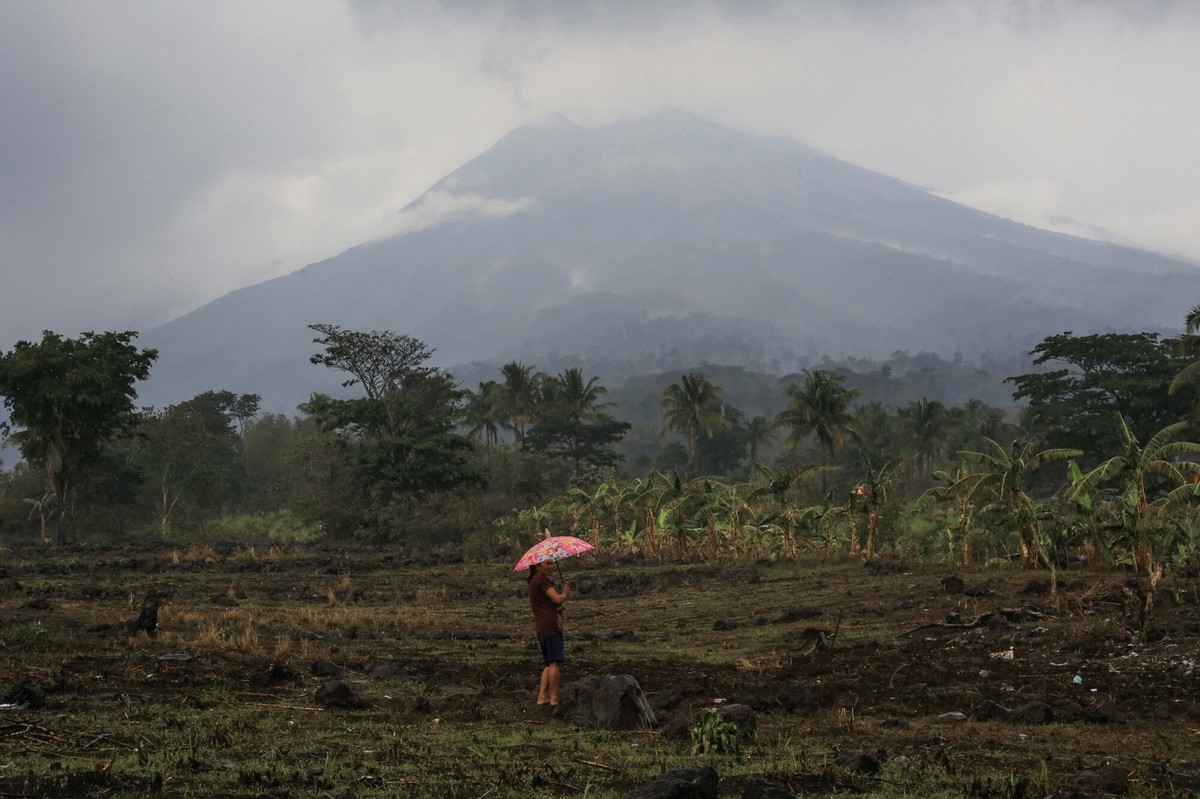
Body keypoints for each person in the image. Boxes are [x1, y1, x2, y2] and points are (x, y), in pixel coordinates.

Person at [528, 559, 569, 706]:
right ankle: (554, 698)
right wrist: (564, 594)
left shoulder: (534, 581)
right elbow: (557, 598)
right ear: (537, 566)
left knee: (549, 663)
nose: (551, 566)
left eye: (552, 563)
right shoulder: (541, 580)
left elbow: (549, 603)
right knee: (555, 663)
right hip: (550, 627)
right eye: (548, 564)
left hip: (542, 627)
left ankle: (542, 697)